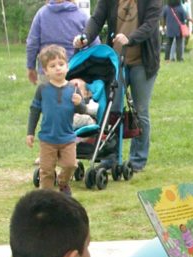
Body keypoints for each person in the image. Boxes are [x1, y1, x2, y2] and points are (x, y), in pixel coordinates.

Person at [76, 0, 161, 172]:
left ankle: (137, 160)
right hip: (116, 61)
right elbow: (96, 19)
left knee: (140, 111)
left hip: (143, 62)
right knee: (112, 110)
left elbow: (151, 24)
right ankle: (111, 156)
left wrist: (130, 39)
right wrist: (85, 37)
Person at [27, 45, 85, 195]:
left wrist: (80, 103)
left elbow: (82, 110)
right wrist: (30, 133)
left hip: (68, 138)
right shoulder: (42, 90)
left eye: (61, 64)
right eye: (52, 66)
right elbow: (34, 111)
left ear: (67, 67)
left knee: (71, 164)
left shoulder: (73, 88)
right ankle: (46, 196)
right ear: (46, 71)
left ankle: (63, 182)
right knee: (46, 170)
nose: (58, 68)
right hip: (47, 139)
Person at [25, 0, 88, 85]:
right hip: (75, 70)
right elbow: (94, 43)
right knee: (74, 97)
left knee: (47, 97)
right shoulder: (82, 15)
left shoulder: (42, 14)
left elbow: (32, 43)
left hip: (48, 71)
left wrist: (30, 67)